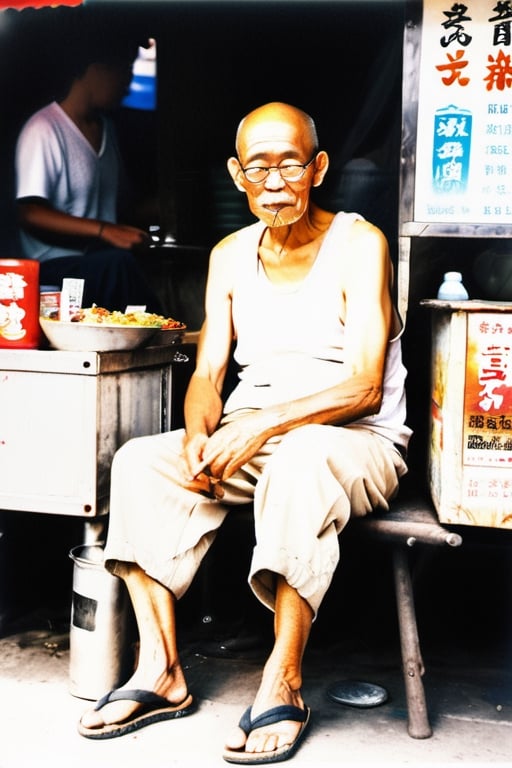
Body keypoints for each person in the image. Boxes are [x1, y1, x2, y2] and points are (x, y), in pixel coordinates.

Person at [78, 102, 411, 763]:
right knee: (144, 462)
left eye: (290, 162)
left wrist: (261, 426)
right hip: (254, 440)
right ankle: (160, 670)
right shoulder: (230, 255)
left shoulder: (359, 243)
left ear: (317, 168)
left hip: (354, 443)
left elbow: (365, 386)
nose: (276, 179)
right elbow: (208, 373)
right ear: (237, 175)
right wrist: (203, 435)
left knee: (302, 459)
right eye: (259, 165)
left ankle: (283, 678)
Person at [14, 32, 162, 313]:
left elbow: (119, 208)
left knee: (133, 264)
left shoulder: (108, 131)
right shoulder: (44, 129)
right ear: (95, 69)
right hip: (54, 268)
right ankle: (166, 339)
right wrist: (104, 231)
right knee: (118, 265)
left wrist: (163, 209)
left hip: (101, 262)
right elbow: (30, 213)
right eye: (125, 71)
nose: (128, 85)